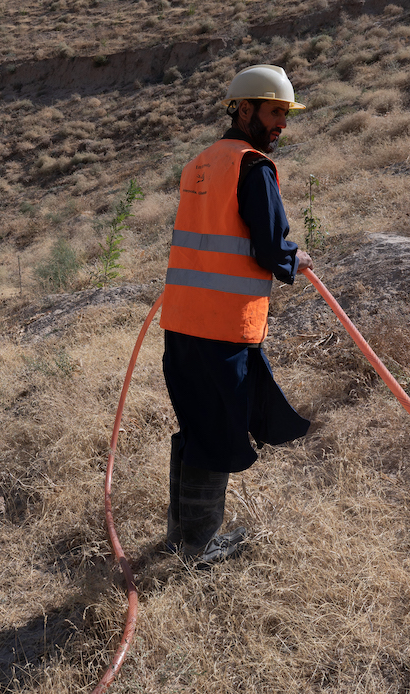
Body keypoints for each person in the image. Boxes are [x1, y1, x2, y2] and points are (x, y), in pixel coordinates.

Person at [159, 64, 314, 565]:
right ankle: (198, 549)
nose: (281, 125)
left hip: (182, 322)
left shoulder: (199, 163)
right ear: (243, 109)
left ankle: (181, 539)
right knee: (218, 433)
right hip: (222, 328)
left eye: (285, 115)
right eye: (274, 113)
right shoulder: (252, 167)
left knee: (196, 426)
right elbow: (269, 246)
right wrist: (293, 258)